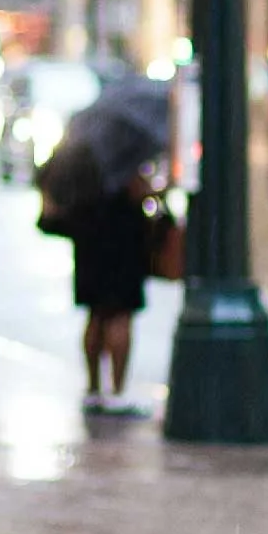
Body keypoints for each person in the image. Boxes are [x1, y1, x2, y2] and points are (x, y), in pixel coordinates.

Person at [70, 169, 154, 415]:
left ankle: (93, 388)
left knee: (95, 313)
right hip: (121, 238)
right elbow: (136, 191)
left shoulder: (86, 148)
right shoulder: (125, 155)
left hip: (87, 234)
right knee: (119, 314)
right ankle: (117, 392)